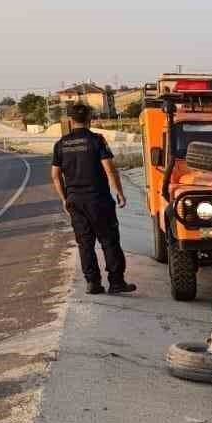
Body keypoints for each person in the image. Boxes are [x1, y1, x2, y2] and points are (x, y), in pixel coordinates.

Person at [50, 103, 135, 296]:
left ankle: (92, 283)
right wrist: (119, 192)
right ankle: (116, 282)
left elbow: (55, 175)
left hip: (75, 202)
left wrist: (64, 199)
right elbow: (109, 168)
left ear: (70, 120)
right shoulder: (96, 140)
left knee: (85, 244)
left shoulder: (61, 144)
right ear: (89, 119)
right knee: (109, 241)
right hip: (98, 200)